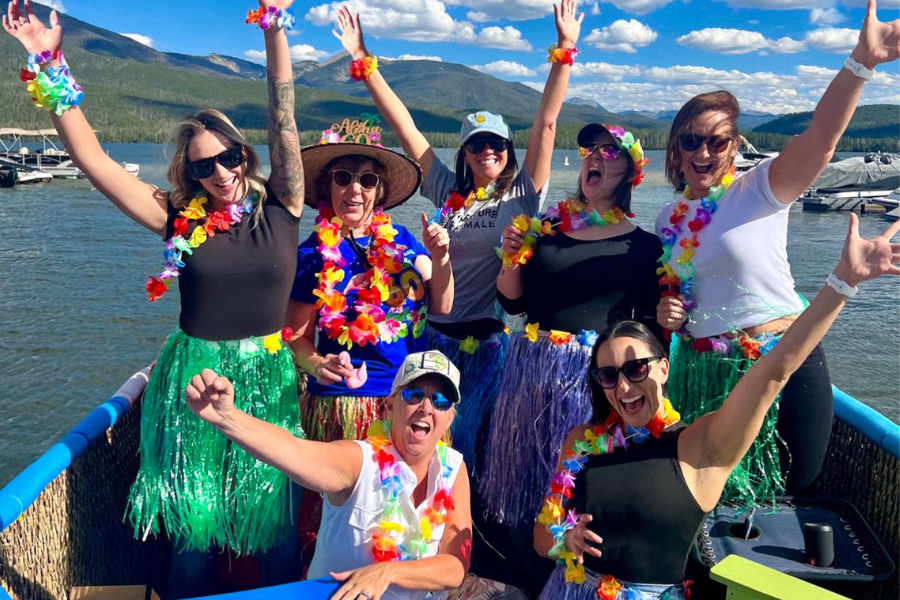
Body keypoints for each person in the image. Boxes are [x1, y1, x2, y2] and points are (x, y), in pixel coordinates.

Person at [4, 0, 306, 595]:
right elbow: (93, 161)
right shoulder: (176, 219)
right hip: (193, 381)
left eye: (229, 158)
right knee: (193, 544)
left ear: (244, 154)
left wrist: (274, 23)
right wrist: (48, 64)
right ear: (189, 175)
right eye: (203, 167)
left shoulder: (284, 206)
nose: (220, 173)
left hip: (268, 380)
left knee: (274, 538)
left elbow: (283, 114)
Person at [534, 215, 900, 599]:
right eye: (608, 375)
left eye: (635, 368)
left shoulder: (702, 446)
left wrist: (842, 282)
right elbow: (542, 539)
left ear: (663, 368)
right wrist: (565, 541)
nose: (623, 386)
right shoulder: (582, 442)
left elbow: (775, 370)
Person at [654, 0, 900, 502]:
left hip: (782, 359)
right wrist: (671, 314)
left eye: (717, 142)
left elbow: (822, 139)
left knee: (791, 495)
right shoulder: (667, 219)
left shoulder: (762, 188)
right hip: (704, 373)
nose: (704, 152)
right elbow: (687, 292)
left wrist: (861, 63)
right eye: (692, 140)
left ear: (734, 146)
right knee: (716, 501)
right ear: (676, 148)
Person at [331, 0, 582, 470]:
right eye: (476, 144)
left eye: (496, 143)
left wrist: (564, 50)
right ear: (465, 153)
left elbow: (547, 125)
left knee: (476, 449)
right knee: (420, 449)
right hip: (431, 338)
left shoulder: (524, 193)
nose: (487, 151)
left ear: (508, 150)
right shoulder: (445, 188)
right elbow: (404, 127)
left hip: (486, 343)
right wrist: (364, 63)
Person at [479, 122, 659, 595]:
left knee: (568, 484)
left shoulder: (643, 247)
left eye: (609, 152)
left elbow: (650, 333)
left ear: (632, 172)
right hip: (530, 372)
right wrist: (511, 259)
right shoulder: (546, 229)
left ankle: (566, 582)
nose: (595, 157)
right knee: (521, 482)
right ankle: (524, 579)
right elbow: (513, 302)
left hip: (592, 380)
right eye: (590, 151)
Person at [185, 350, 525, 600]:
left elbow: (454, 567)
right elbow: (295, 452)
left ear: (450, 417)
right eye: (414, 395)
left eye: (440, 401)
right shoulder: (360, 461)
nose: (426, 407)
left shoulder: (452, 468)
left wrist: (387, 572)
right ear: (389, 406)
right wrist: (228, 418)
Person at [287, 131, 453, 443]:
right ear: (327, 186)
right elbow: (296, 338)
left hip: (412, 398)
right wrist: (319, 364)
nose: (355, 189)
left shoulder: (403, 240)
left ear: (379, 192)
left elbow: (442, 305)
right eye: (343, 178)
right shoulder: (311, 255)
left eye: (367, 180)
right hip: (345, 404)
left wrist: (442, 257)